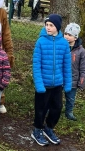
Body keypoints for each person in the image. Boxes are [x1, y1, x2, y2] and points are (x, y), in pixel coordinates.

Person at [31, 14, 72, 146]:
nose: (48, 27)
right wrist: (39, 84)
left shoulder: (64, 43)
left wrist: (67, 83)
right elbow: (36, 65)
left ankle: (49, 128)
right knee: (41, 109)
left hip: (57, 84)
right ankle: (37, 130)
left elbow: (66, 65)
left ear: (57, 27)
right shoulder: (41, 42)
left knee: (57, 107)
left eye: (51, 25)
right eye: (47, 25)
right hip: (43, 84)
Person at [63, 23, 85, 121]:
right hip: (60, 78)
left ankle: (69, 112)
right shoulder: (61, 46)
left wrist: (81, 82)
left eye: (70, 35)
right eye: (65, 34)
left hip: (73, 80)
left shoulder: (81, 51)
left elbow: (84, 69)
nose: (67, 37)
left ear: (75, 37)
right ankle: (52, 109)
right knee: (55, 97)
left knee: (70, 98)